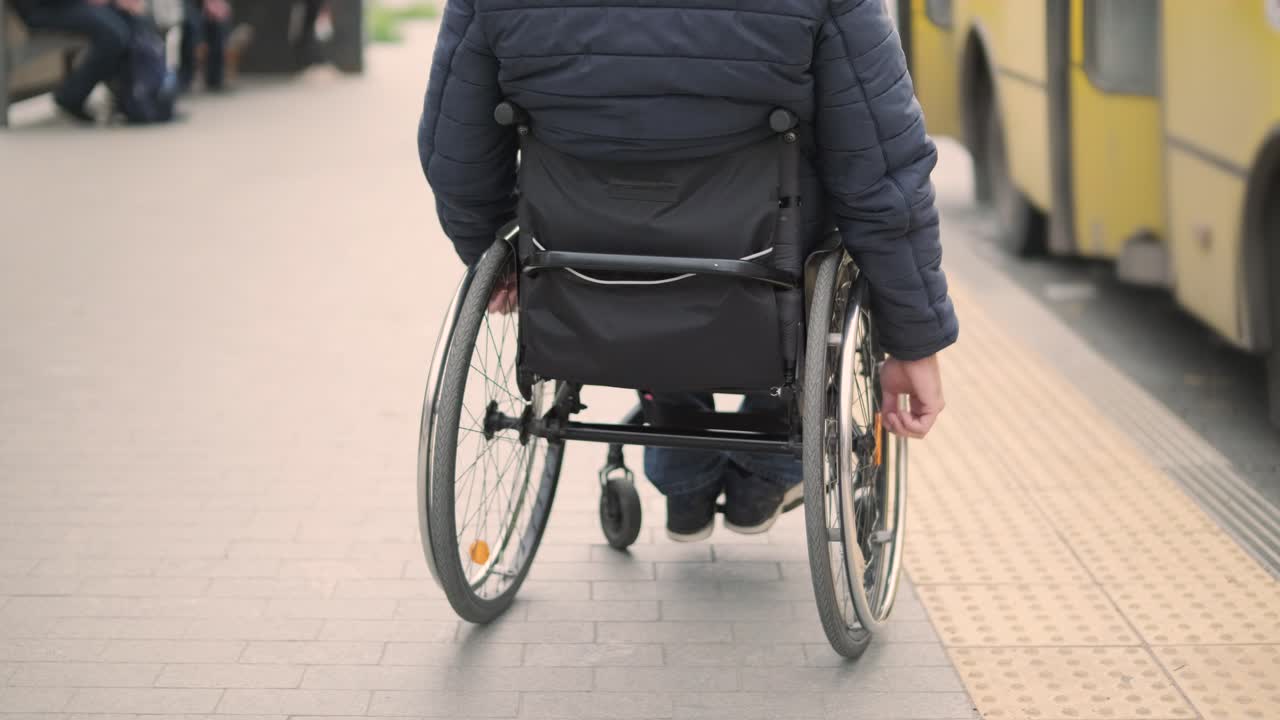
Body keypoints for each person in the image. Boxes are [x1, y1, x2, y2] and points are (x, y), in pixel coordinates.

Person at [419, 0, 958, 542]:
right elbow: (884, 175)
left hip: (581, 261)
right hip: (769, 258)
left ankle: (678, 451)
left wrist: (489, 253)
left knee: (645, 240)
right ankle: (768, 466)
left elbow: (454, 154)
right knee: (812, 222)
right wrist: (912, 340)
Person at [11, 0, 145, 123]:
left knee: (133, 19)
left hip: (67, 5)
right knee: (114, 35)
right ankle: (71, 96)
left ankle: (137, 96)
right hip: (42, 8)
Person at [178, 0, 231, 92]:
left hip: (215, 15)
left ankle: (215, 81)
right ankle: (187, 81)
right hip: (206, 15)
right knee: (194, 50)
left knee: (217, 51)